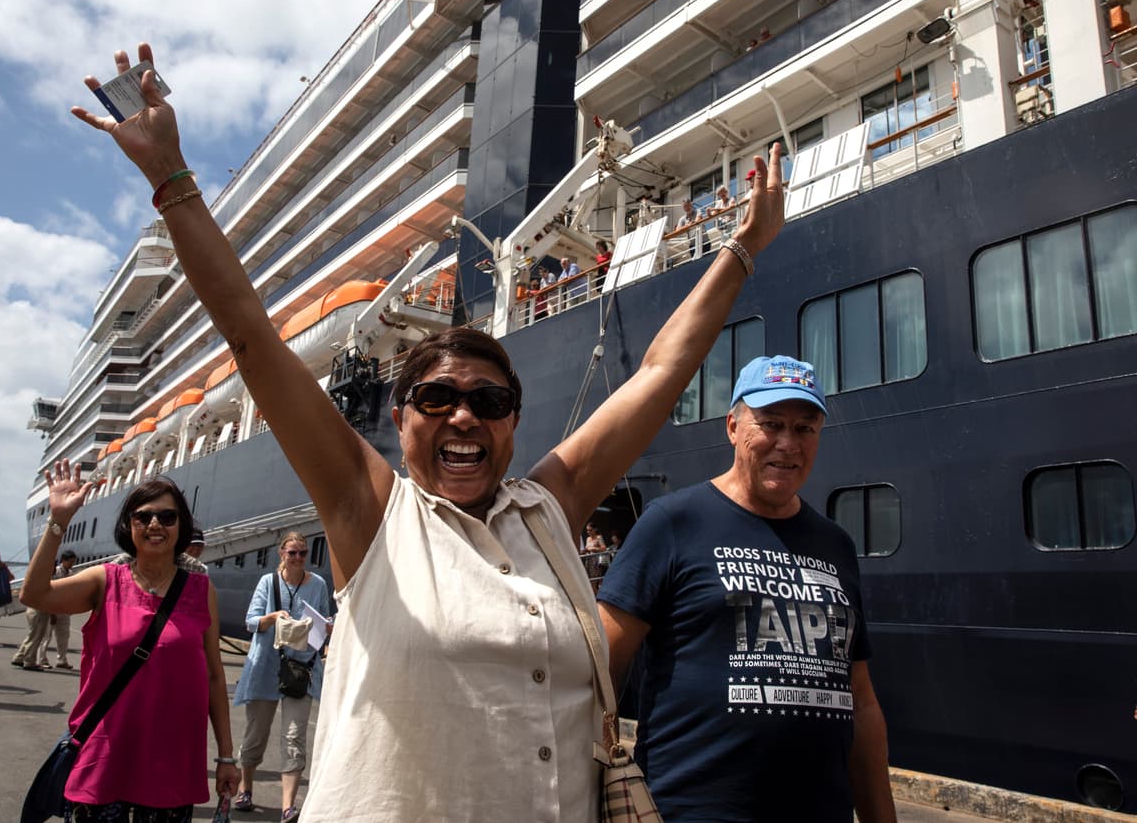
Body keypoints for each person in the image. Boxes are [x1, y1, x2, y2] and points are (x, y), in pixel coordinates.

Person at [70, 42, 784, 821]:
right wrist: (173, 180)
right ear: (400, 417)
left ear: (514, 419)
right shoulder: (371, 514)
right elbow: (252, 338)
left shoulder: (549, 508)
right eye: (436, 397)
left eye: (489, 399)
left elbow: (655, 373)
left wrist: (741, 250)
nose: (464, 415)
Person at [597, 356, 897, 823]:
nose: (787, 443)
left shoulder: (835, 544)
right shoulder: (673, 523)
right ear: (733, 426)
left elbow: (860, 702)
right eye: (771, 423)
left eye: (805, 428)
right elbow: (600, 672)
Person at [21, 468, 241, 819]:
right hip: (104, 758)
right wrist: (58, 522)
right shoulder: (104, 580)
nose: (155, 524)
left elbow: (215, 677)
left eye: (167, 517)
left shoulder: (201, 592)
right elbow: (34, 594)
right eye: (143, 516)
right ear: (130, 525)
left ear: (181, 526)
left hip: (172, 763)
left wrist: (226, 757)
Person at [231, 533, 333, 820]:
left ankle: (288, 805)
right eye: (293, 553)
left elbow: (325, 618)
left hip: (301, 670)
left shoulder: (319, 584)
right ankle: (246, 788)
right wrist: (273, 617)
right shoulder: (268, 582)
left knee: (294, 737)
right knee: (255, 735)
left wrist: (327, 627)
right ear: (281, 554)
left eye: (303, 553)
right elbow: (251, 621)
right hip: (266, 667)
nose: (298, 558)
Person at [41, 550, 78, 670]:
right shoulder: (55, 572)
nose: (72, 564)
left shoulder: (72, 573)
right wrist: (51, 612)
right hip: (53, 608)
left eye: (73, 562)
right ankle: (42, 659)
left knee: (63, 636)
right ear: (63, 560)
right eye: (70, 562)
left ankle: (61, 660)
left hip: (64, 609)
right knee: (47, 636)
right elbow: (49, 592)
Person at [12, 589, 52, 671]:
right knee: (36, 636)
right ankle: (29, 661)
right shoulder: (45, 581)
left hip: (33, 608)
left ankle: (19, 657)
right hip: (40, 609)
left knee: (32, 635)